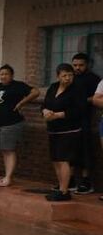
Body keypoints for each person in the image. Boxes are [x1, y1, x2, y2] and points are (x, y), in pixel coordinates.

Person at [0, 64, 40, 187]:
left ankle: (8, 177)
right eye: (1, 74)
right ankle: (6, 176)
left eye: (6, 74)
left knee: (9, 150)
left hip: (11, 124)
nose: (3, 76)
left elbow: (36, 92)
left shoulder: (18, 86)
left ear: (11, 75)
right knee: (4, 150)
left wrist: (22, 103)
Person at [42, 63, 87, 202]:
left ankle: (64, 191)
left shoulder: (77, 90)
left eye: (70, 75)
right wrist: (45, 111)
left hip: (69, 130)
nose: (68, 78)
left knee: (64, 159)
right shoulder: (53, 87)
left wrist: (59, 115)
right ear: (58, 76)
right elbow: (44, 104)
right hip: (53, 129)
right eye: (64, 75)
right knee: (55, 160)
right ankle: (60, 188)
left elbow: (79, 110)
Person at [71, 53, 101, 194]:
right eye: (75, 65)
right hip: (70, 120)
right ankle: (69, 180)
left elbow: (96, 97)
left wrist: (82, 101)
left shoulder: (94, 79)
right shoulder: (69, 78)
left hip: (86, 119)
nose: (77, 68)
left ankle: (86, 181)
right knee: (70, 151)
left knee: (85, 151)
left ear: (87, 64)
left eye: (80, 65)